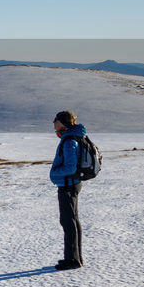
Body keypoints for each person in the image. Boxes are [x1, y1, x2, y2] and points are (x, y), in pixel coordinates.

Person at [49, 110, 86, 270]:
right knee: (72, 220)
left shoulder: (70, 141)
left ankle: (72, 260)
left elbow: (70, 166)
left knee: (68, 221)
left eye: (55, 120)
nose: (53, 123)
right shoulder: (70, 137)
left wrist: (54, 173)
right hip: (71, 183)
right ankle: (75, 257)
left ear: (63, 122)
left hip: (68, 185)